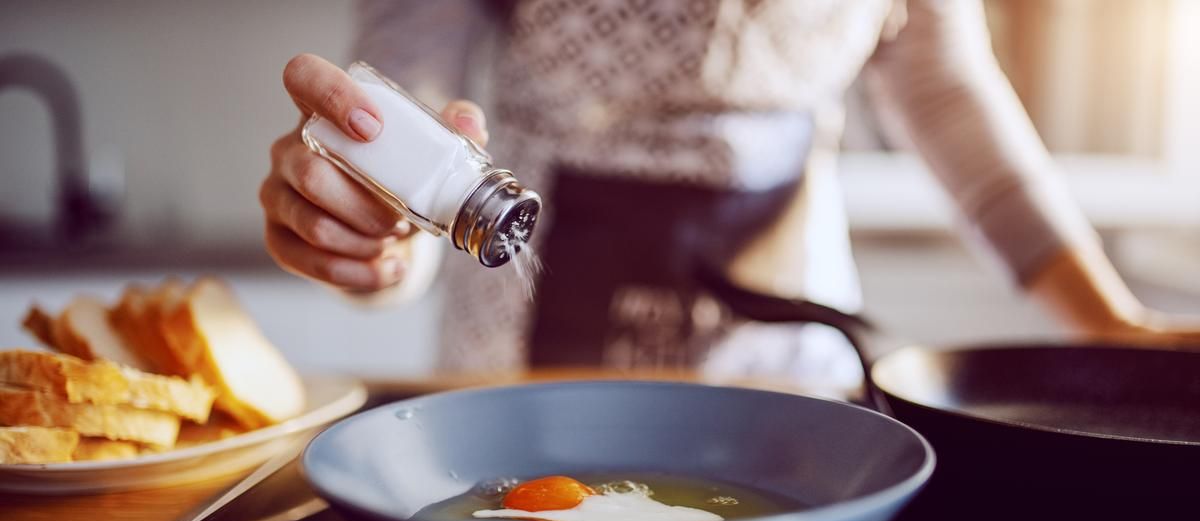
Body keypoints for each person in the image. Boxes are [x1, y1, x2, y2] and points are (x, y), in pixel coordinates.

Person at [260, 0, 1199, 391]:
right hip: (523, 328)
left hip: (789, 346)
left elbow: (945, 87)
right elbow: (411, 89)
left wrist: (1105, 318)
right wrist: (375, 234)